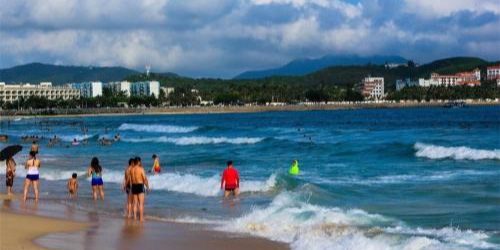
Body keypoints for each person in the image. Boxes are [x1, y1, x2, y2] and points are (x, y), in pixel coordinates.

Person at [130, 157, 150, 221]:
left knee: (135, 203)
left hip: (133, 186)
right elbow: (144, 178)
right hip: (139, 185)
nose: (141, 162)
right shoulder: (141, 169)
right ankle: (141, 218)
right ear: (138, 162)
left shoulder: (132, 169)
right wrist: (148, 187)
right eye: (140, 161)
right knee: (141, 203)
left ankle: (135, 216)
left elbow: (131, 179)